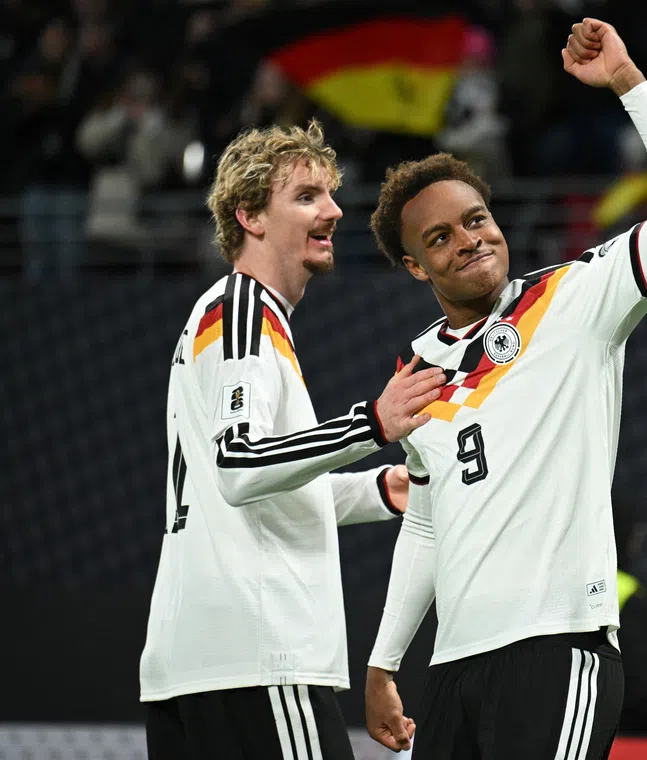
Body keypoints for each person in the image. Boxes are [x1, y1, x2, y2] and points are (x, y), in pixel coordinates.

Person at [362, 17, 647, 759]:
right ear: (413, 268)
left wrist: (628, 82)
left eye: (477, 219)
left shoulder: (574, 298)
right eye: (441, 237)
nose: (470, 239)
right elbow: (426, 526)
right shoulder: (416, 373)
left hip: (559, 648)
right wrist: (383, 661)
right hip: (454, 667)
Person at [139, 120, 446, 760]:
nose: (333, 210)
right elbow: (240, 464)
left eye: (330, 195)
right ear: (248, 215)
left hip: (194, 666)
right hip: (259, 656)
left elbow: (253, 489)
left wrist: (375, 491)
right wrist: (373, 424)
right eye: (306, 196)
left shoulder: (228, 317)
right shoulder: (243, 311)